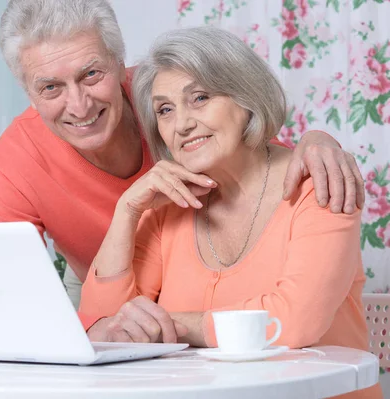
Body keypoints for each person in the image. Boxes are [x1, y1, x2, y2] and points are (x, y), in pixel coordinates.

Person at [0, 0, 365, 325]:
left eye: (91, 74)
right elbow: (16, 293)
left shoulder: (161, 85)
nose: (79, 105)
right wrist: (127, 210)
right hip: (103, 271)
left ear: (120, 66)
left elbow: (251, 145)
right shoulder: (14, 161)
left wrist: (320, 140)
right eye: (50, 87)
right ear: (29, 93)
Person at [79, 26, 380, 398]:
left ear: (246, 97)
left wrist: (169, 325)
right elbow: (104, 329)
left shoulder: (318, 180)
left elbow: (295, 319)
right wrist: (126, 210)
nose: (182, 124)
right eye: (165, 110)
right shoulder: (166, 206)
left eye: (200, 97)